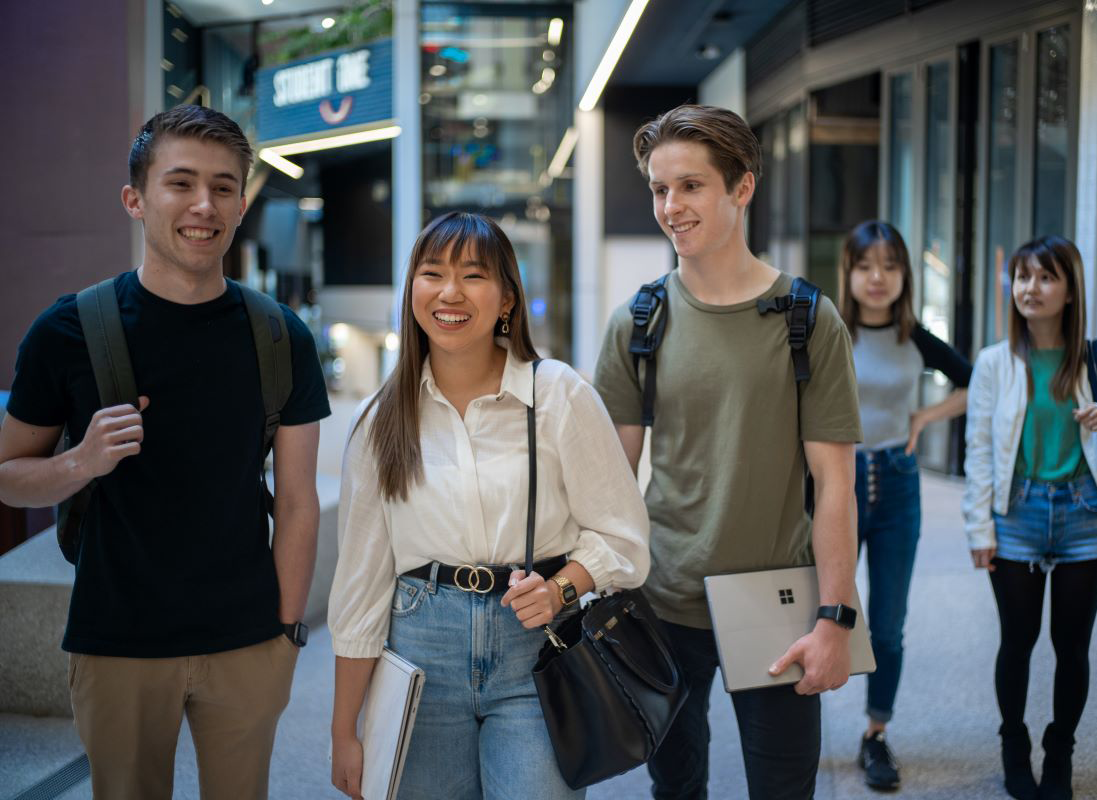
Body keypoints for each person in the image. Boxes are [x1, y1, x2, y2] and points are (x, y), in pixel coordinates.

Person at [0, 105, 330, 799]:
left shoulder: (280, 337)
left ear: (242, 203)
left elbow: (299, 501)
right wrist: (77, 463)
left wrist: (285, 634)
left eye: (223, 186)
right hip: (116, 640)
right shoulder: (67, 331)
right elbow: (8, 477)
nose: (202, 205)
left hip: (247, 641)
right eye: (180, 183)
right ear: (136, 198)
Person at [327, 211, 650, 800]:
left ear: (506, 299)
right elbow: (361, 582)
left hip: (537, 650)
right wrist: (343, 730)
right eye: (432, 273)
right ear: (413, 291)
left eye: (473, 276)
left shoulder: (558, 395)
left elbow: (624, 538)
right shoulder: (379, 420)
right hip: (421, 651)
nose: (450, 292)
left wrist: (561, 589)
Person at [592, 104, 863, 800]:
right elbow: (608, 482)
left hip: (776, 601)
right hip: (663, 599)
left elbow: (834, 484)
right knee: (675, 787)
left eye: (691, 186)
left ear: (742, 187)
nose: (671, 206)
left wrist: (837, 617)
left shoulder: (808, 319)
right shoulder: (637, 323)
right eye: (659, 189)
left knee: (783, 788)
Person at [962, 235, 1097, 800]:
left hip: (1085, 516)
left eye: (1045, 278)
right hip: (1016, 514)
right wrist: (979, 527)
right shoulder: (995, 363)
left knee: (1072, 645)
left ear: (1070, 291)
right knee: (1016, 642)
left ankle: (1059, 751)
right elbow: (977, 450)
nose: (1030, 289)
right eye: (1022, 277)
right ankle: (1014, 745)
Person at [837, 220, 972, 790]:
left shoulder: (914, 336)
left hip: (896, 483)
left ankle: (875, 733)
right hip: (836, 484)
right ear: (848, 272)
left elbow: (972, 381)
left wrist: (923, 417)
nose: (877, 277)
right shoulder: (829, 330)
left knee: (887, 625)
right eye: (866, 265)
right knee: (821, 612)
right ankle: (790, 727)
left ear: (904, 276)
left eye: (890, 266)